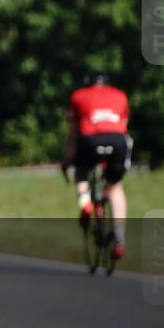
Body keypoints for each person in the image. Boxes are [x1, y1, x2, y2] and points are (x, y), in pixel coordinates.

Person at [64, 70, 130, 259]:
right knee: (115, 187)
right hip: (117, 142)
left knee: (81, 171)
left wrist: (68, 158)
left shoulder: (78, 95)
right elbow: (124, 126)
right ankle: (119, 238)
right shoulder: (120, 95)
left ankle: (85, 203)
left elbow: (73, 133)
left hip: (89, 140)